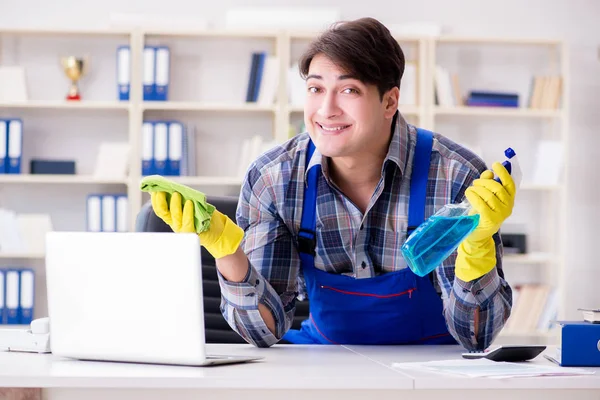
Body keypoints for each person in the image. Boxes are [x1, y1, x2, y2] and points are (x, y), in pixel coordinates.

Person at [150, 17, 515, 351]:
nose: (326, 110)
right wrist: (225, 249)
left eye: (349, 90)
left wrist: (476, 249)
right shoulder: (274, 179)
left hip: (428, 371)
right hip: (322, 365)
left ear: (390, 101)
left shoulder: (455, 176)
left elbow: (476, 335)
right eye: (315, 89)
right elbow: (263, 332)